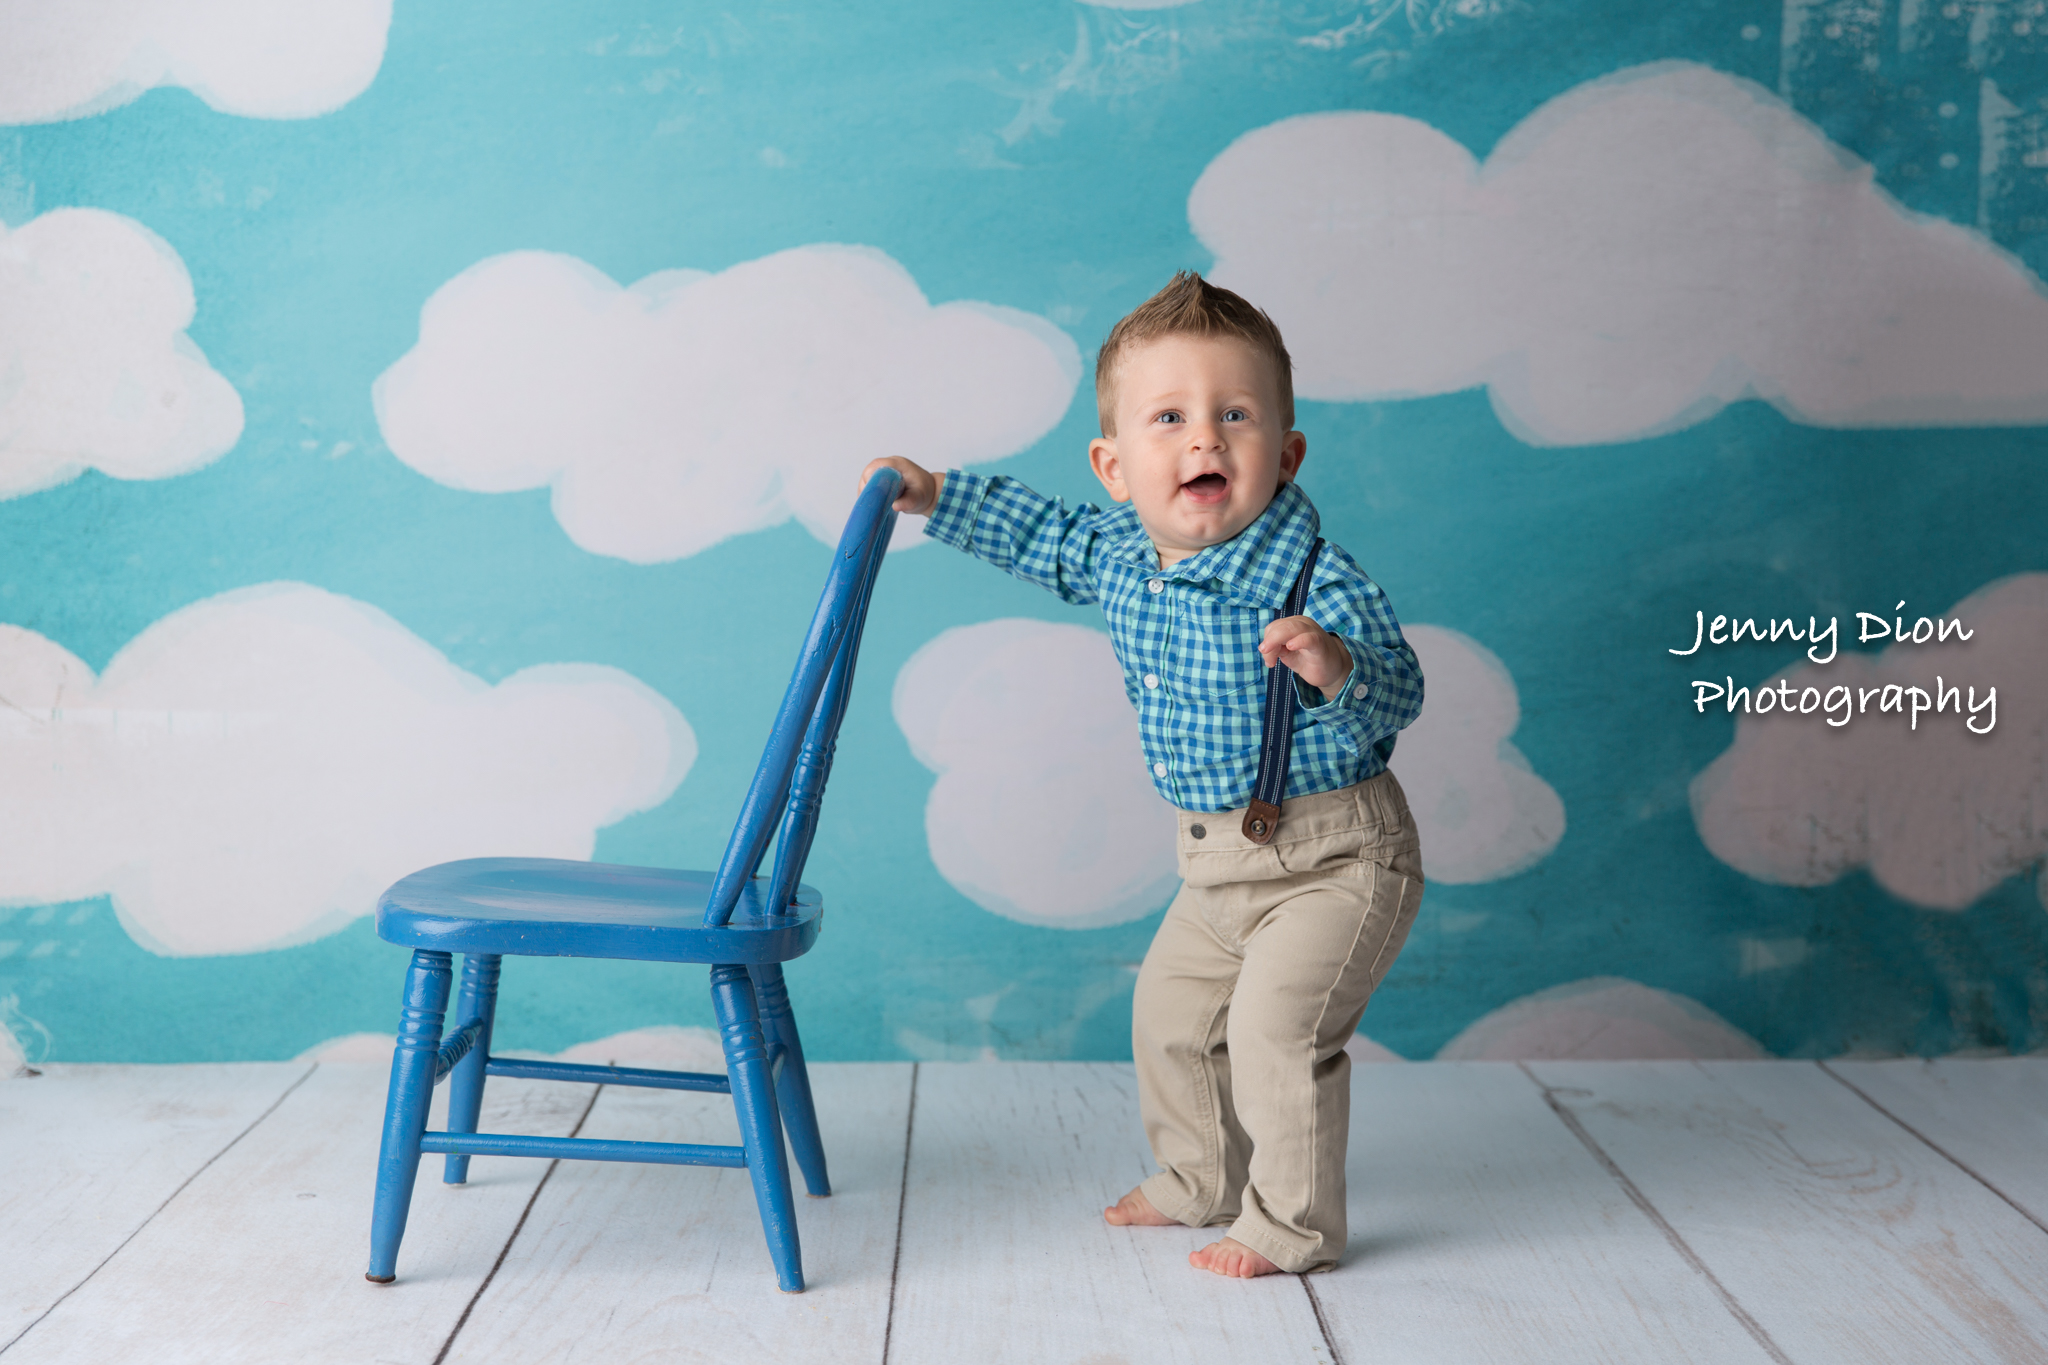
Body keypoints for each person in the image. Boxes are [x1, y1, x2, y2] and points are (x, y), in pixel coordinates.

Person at [861, 271, 1425, 1278]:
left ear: (1285, 453)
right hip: (1214, 860)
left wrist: (1334, 667)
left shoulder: (1317, 581)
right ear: (1114, 467)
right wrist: (934, 495)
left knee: (1273, 1036)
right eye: (1169, 418)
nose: (1204, 439)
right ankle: (1197, 1179)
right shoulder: (1118, 550)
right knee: (1170, 1020)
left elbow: (1398, 697)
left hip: (1337, 855)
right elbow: (1038, 533)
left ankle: (1288, 1226)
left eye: (1235, 416)